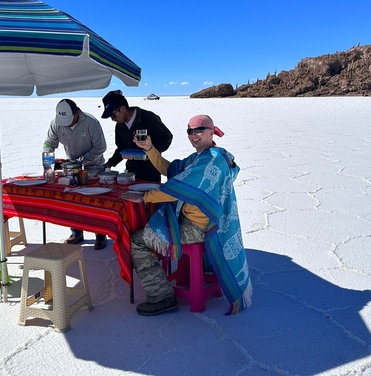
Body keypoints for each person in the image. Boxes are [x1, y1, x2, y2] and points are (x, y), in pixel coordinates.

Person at [123, 114, 252, 316]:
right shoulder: (201, 158)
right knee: (153, 223)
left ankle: (162, 296)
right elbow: (171, 171)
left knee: (138, 241)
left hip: (197, 228)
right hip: (192, 220)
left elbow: (176, 189)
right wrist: (150, 149)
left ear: (212, 131)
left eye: (199, 130)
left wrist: (144, 198)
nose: (194, 135)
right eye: (190, 131)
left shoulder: (212, 161)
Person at [43, 99, 109, 250]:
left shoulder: (91, 123)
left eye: (68, 120)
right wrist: (48, 155)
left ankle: (100, 234)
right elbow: (49, 142)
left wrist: (82, 161)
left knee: (94, 200)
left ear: (77, 113)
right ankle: (76, 233)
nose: (65, 124)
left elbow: (100, 147)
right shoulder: (56, 123)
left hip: (93, 167)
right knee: (73, 200)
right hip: (71, 167)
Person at [100, 90, 173, 182]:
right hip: (131, 173)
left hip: (151, 173)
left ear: (122, 108)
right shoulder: (120, 126)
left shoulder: (147, 117)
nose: (113, 119)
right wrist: (109, 164)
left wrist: (151, 153)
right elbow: (121, 148)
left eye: (113, 115)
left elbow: (166, 137)